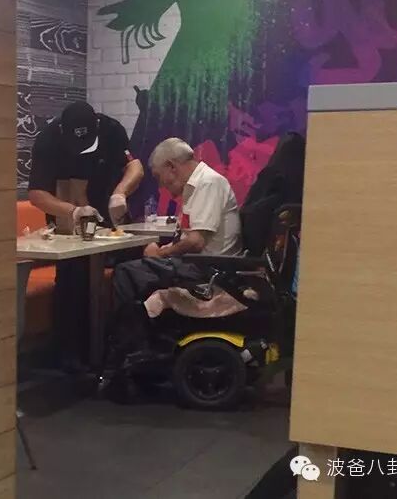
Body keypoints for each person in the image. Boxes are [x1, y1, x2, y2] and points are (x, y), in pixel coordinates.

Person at [28, 101, 144, 371]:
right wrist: (73, 211)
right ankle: (70, 355)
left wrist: (120, 193)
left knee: (133, 267)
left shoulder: (111, 130)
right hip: (67, 222)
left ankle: (121, 347)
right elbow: (36, 194)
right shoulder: (47, 141)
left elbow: (135, 167)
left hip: (109, 214)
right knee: (72, 276)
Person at [112, 138, 242, 305]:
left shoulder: (208, 182)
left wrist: (161, 254)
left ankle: (129, 321)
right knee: (134, 263)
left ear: (171, 167)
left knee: (125, 272)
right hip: (198, 264)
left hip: (210, 269)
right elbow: (188, 236)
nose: (160, 184)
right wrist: (165, 249)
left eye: (158, 176)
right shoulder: (195, 185)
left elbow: (196, 242)